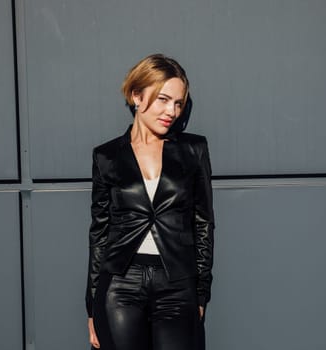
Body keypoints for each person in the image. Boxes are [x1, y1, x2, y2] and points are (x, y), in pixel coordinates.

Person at [85, 53, 215, 350]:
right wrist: (92, 305)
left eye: (178, 103)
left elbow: (204, 224)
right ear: (136, 96)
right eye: (163, 99)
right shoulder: (107, 156)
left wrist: (201, 292)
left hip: (177, 284)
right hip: (119, 286)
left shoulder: (194, 150)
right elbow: (99, 233)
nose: (172, 111)